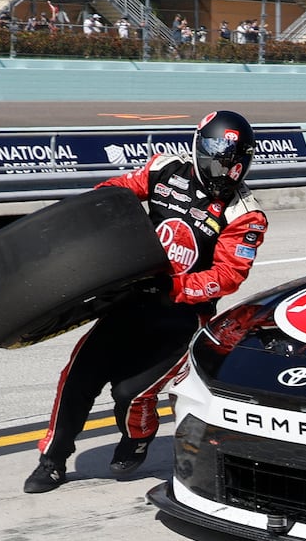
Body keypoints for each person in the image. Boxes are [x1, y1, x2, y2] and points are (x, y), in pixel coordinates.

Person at [24, 110, 268, 493]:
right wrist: (92, 222)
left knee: (130, 393)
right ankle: (52, 460)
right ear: (199, 149)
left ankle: (138, 438)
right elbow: (114, 193)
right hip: (132, 299)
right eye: (219, 163)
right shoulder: (163, 169)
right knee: (78, 375)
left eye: (235, 166)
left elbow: (228, 276)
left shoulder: (246, 214)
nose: (225, 174)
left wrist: (174, 288)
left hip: (184, 318)